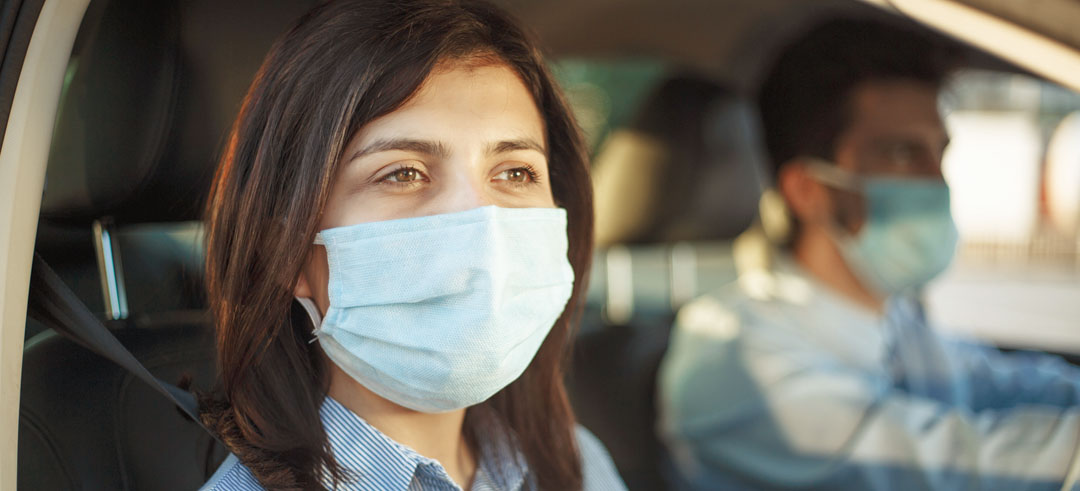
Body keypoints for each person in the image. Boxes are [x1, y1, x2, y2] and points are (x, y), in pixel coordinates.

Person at [195, 1, 626, 489]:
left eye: (515, 172)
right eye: (403, 173)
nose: (480, 222)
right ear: (283, 250)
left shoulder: (578, 463)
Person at [657, 17, 1080, 490]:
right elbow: (953, 469)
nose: (935, 182)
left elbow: (1010, 384)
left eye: (937, 153)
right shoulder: (731, 352)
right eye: (901, 154)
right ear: (808, 190)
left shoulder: (895, 324)